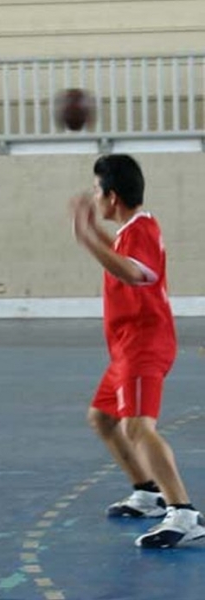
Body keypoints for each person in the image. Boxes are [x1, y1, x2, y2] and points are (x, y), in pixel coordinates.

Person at [69, 153, 205, 548]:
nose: (94, 197)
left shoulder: (142, 229)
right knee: (103, 418)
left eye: (97, 191)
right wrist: (94, 233)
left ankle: (183, 512)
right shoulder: (131, 231)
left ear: (112, 196)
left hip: (145, 344)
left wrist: (86, 237)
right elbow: (123, 258)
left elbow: (135, 272)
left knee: (138, 427)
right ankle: (147, 492)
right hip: (127, 348)